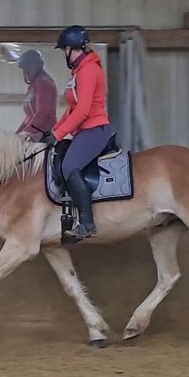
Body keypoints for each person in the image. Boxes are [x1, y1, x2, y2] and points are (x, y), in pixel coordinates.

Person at [41, 25, 115, 240]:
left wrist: (60, 134)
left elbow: (83, 110)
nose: (64, 54)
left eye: (64, 49)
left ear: (72, 48)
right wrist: (54, 132)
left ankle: (87, 222)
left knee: (70, 166)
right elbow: (72, 109)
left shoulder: (89, 70)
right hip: (84, 130)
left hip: (95, 129)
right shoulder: (79, 71)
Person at [14, 49, 58, 142]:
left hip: (44, 134)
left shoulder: (44, 83)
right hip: (34, 132)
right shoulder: (32, 86)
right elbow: (29, 117)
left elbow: (42, 112)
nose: (25, 70)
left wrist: (26, 132)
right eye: (24, 67)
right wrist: (16, 134)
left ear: (38, 65)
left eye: (29, 66)